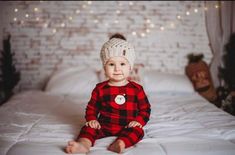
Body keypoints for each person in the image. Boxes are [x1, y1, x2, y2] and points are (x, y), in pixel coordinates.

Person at [65, 33, 151, 154]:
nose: (117, 69)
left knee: (138, 131)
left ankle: (121, 143)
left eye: (122, 64)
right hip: (105, 126)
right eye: (111, 64)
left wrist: (139, 121)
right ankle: (83, 145)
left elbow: (145, 109)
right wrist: (92, 119)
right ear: (104, 67)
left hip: (128, 125)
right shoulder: (100, 88)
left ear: (130, 67)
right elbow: (91, 108)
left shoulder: (137, 89)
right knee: (88, 128)